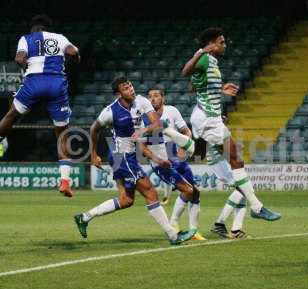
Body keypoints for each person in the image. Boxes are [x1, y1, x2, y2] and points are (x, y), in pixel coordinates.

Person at [73, 77, 195, 245]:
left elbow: (157, 123)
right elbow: (94, 129)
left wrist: (143, 130)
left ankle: (84, 217)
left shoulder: (141, 101)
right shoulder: (110, 112)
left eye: (130, 85)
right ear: (118, 93)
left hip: (125, 157)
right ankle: (173, 235)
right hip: (121, 157)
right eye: (125, 88)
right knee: (150, 193)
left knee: (126, 200)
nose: (130, 89)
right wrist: (93, 154)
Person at [181, 27, 281, 222]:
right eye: (221, 42)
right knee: (236, 159)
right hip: (208, 118)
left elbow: (194, 86)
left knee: (226, 158)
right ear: (212, 43)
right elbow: (185, 72)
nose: (225, 45)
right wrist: (201, 51)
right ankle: (257, 207)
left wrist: (220, 87)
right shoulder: (204, 57)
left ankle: (255, 207)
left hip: (210, 117)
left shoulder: (212, 62)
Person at [0, 14, 80, 197]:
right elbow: (73, 53)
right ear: (48, 28)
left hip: (34, 82)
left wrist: (28, 66)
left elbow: (19, 58)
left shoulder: (26, 38)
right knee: (62, 133)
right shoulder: (59, 37)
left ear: (33, 28)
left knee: (11, 115)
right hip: (56, 84)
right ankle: (65, 182)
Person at [141, 87, 205, 240]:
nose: (152, 99)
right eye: (149, 97)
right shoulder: (145, 118)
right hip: (162, 162)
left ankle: (194, 231)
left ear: (163, 98)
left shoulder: (172, 111)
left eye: (156, 96)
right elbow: (144, 144)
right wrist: (158, 159)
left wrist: (183, 149)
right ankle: (174, 224)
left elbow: (186, 131)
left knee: (194, 192)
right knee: (188, 190)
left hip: (176, 156)